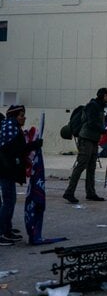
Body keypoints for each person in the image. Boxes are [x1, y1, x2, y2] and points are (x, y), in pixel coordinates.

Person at [0, 105, 42, 245]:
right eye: (21, 115)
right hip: (5, 170)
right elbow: (14, 150)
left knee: (9, 201)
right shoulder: (10, 130)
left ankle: (7, 229)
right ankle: (2, 233)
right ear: (14, 116)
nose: (24, 118)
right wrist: (33, 145)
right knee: (8, 201)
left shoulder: (12, 128)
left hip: (8, 170)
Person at [64, 88, 107, 203]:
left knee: (91, 167)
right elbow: (92, 123)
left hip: (93, 140)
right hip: (86, 139)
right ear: (102, 96)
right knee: (81, 165)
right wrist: (106, 132)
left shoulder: (100, 107)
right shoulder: (93, 106)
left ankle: (91, 193)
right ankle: (69, 192)